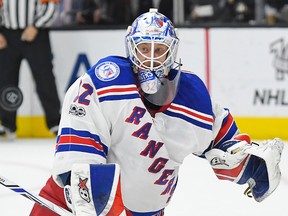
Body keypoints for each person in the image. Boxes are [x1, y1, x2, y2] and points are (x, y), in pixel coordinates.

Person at [30, 8, 284, 215]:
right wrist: (83, 187)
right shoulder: (107, 80)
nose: (151, 59)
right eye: (144, 49)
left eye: (159, 50)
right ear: (132, 49)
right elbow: (80, 133)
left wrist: (250, 165)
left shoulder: (192, 95)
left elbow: (224, 138)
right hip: (68, 205)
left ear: (172, 51)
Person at [0, 0, 61, 139]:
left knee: (44, 78)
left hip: (36, 34)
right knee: (6, 80)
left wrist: (36, 26)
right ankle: (7, 124)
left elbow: (51, 5)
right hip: (7, 34)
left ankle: (54, 122)